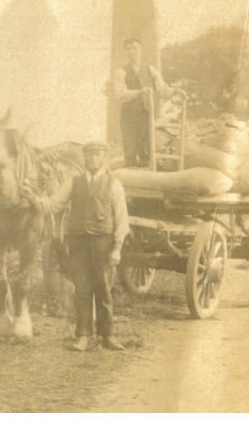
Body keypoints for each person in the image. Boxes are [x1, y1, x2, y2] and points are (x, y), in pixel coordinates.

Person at [33, 141, 129, 351]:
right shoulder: (73, 183)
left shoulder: (114, 185)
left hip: (103, 242)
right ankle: (83, 336)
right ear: (84, 158)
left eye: (97, 155)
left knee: (103, 289)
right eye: (90, 155)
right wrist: (33, 199)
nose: (93, 159)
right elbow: (53, 204)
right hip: (78, 242)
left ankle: (108, 336)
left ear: (104, 158)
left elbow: (122, 219)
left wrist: (117, 248)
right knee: (82, 289)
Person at [112, 37, 171, 167]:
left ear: (141, 51)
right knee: (130, 148)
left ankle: (149, 172)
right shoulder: (121, 72)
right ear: (125, 52)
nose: (131, 51)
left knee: (147, 147)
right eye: (128, 49)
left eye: (134, 48)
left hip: (146, 114)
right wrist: (139, 92)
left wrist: (176, 91)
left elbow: (162, 89)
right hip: (129, 116)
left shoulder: (150, 69)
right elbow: (120, 94)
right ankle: (130, 171)